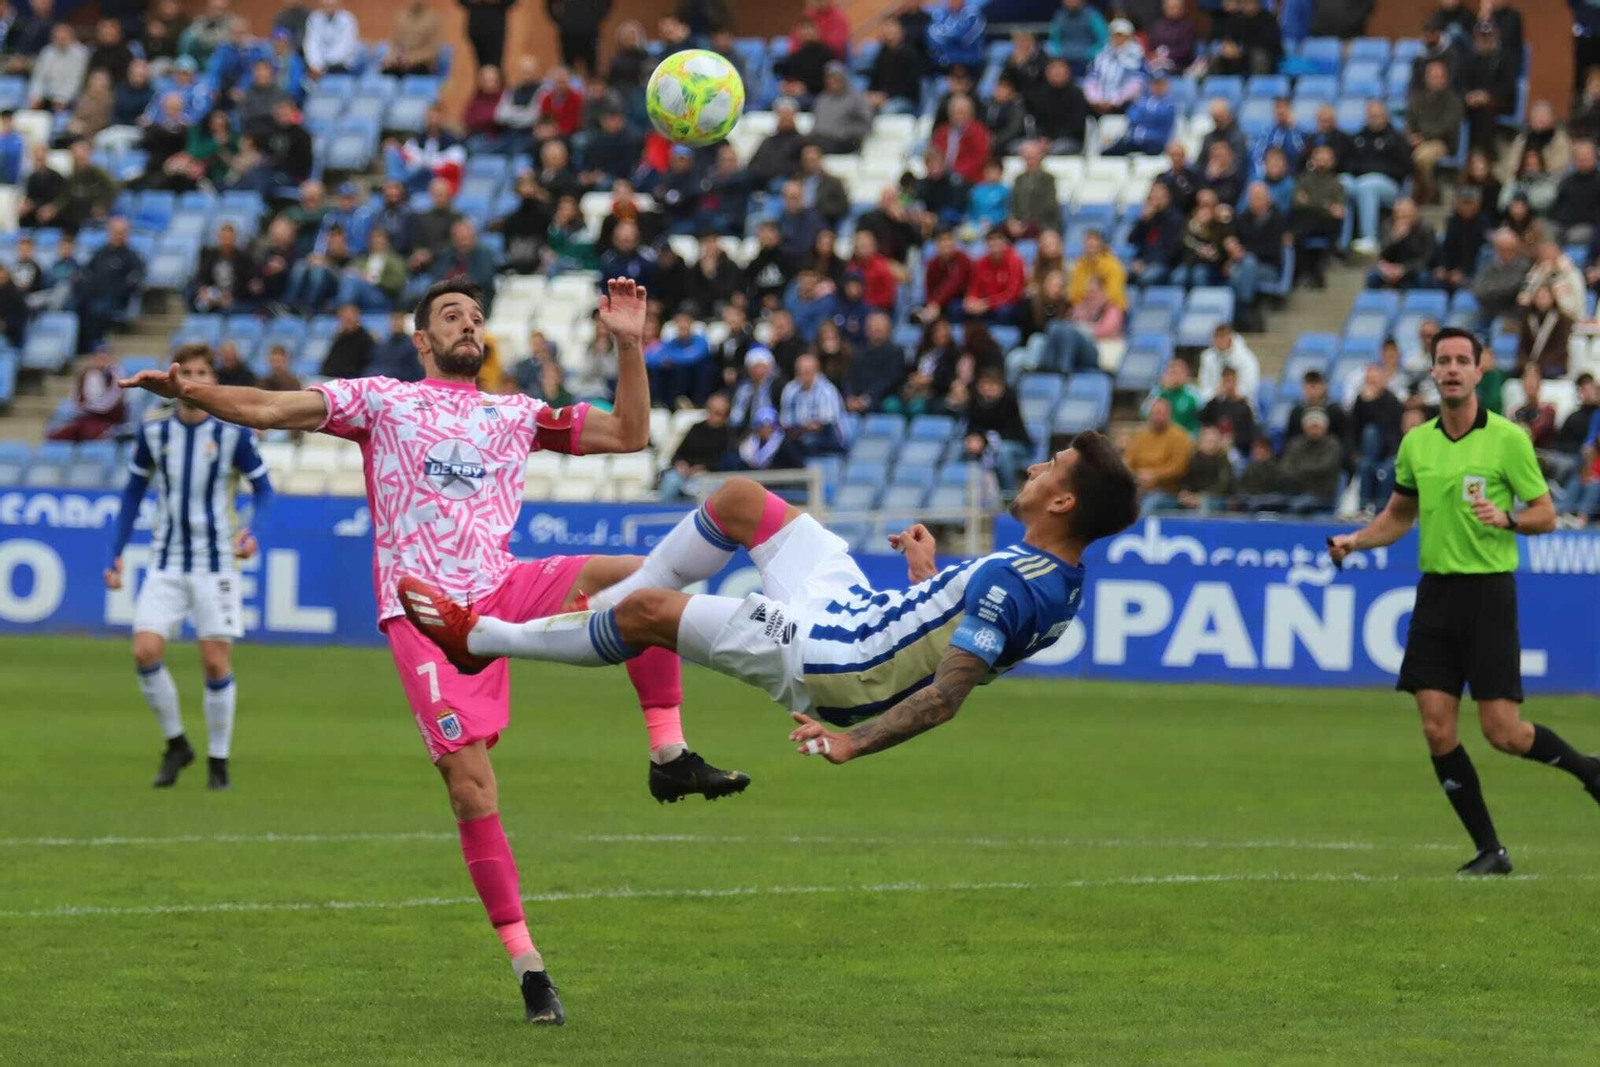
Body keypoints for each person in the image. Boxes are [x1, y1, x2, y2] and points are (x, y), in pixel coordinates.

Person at [119, 279, 749, 1025]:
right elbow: (269, 408)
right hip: (424, 610)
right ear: (422, 340)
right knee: (471, 788)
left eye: (477, 316)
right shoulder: (381, 401)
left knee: (647, 582)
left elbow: (629, 434)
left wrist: (629, 343)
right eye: (452, 315)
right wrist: (193, 390)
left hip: (505, 584)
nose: (469, 324)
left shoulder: (512, 411)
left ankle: (667, 753)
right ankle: (530, 967)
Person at [400, 433, 1140, 771]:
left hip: (835, 656)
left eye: (1053, 466)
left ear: (1065, 499)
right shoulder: (1052, 579)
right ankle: (605, 597)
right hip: (862, 608)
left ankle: (484, 639)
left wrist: (852, 741)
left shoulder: (1017, 583)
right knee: (742, 501)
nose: (1038, 467)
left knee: (648, 615)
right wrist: (926, 579)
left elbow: (946, 692)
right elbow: (955, 644)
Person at [1329, 328, 1599, 875]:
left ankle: (1590, 772)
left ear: (1479, 371)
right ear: (1432, 372)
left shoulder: (1507, 439)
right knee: (1436, 728)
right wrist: (1357, 541)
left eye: (1461, 361)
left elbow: (1547, 515)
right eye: (1442, 361)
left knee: (1504, 733)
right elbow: (1400, 515)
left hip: (1488, 594)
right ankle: (1489, 850)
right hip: (1436, 595)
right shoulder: (1417, 443)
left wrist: (1509, 519)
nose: (1451, 369)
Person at [105, 344, 274, 791]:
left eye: (202, 372)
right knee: (144, 651)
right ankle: (177, 743)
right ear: (173, 378)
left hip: (215, 562)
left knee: (215, 664)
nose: (193, 379)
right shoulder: (155, 431)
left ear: (213, 381)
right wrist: (116, 551)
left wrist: (253, 531)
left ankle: (219, 760)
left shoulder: (233, 434)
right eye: (188, 371)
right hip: (165, 559)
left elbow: (266, 491)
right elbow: (131, 495)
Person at [962, 368, 1032, 491]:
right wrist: (972, 439)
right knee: (961, 449)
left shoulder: (1009, 401)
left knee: (1003, 451)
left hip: (1017, 445)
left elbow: (1012, 433)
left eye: (994, 385)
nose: (989, 389)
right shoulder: (975, 403)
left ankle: (1007, 496)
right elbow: (971, 428)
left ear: (1001, 387)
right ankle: (967, 494)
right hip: (987, 444)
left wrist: (984, 442)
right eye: (986, 384)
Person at [1407, 60, 1464, 206]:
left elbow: (1446, 128)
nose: (1436, 80)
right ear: (1426, 78)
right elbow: (1409, 123)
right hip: (1418, 142)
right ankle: (1418, 191)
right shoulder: (1416, 99)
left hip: (1443, 143)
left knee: (1421, 157)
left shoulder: (1453, 101)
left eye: (1439, 76)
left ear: (1445, 78)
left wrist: (1423, 136)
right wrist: (1410, 136)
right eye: (1433, 76)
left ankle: (1429, 192)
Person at [659, 392, 733, 501]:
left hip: (709, 475)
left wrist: (704, 468)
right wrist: (680, 463)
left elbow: (725, 461)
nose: (712, 415)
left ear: (725, 414)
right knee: (671, 479)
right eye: (710, 410)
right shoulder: (696, 428)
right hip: (685, 472)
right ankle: (663, 513)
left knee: (698, 485)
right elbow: (678, 454)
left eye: (717, 413)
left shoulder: (729, 434)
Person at [1126, 397, 1192, 509]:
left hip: (1167, 492)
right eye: (1154, 413)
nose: (1157, 417)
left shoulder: (1180, 436)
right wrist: (1137, 475)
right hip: (1139, 488)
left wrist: (1154, 476)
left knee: (1147, 507)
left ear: (1169, 415)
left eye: (1161, 413)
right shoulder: (1141, 436)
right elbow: (1128, 461)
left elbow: (1179, 467)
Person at [778, 353, 848, 455]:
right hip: (798, 434)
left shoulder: (826, 390)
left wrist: (801, 426)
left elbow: (823, 424)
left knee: (805, 442)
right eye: (799, 372)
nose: (802, 376)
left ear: (816, 371)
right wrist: (800, 427)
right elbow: (785, 421)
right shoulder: (790, 389)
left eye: (806, 372)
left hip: (829, 436)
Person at [1365, 198, 1436, 291]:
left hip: (1413, 269)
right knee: (1372, 276)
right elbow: (1383, 254)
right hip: (1392, 268)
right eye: (1399, 216)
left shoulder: (1426, 229)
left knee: (1423, 277)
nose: (1403, 219)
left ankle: (1418, 304)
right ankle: (1374, 305)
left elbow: (1426, 259)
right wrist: (1394, 238)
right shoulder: (1388, 225)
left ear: (1415, 214)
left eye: (1406, 216)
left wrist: (1404, 269)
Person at [1196, 322, 1260, 405]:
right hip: (1214, 404)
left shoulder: (1247, 358)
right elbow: (1204, 386)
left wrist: (1230, 393)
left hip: (1240, 404)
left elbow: (1249, 388)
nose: (1219, 340)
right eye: (1216, 336)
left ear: (1230, 336)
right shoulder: (1207, 357)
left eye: (1222, 336)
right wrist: (1215, 394)